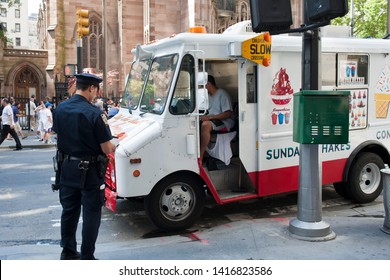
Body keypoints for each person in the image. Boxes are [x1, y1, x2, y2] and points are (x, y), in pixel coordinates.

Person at [53, 73, 116, 260]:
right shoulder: (95, 114)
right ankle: (87, 256)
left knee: (69, 211)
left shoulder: (60, 109)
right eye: (96, 90)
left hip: (66, 168)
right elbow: (106, 148)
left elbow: (60, 136)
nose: (96, 94)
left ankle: (68, 252)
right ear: (91, 88)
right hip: (90, 172)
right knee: (91, 213)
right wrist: (114, 145)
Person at [199, 75, 235, 162]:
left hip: (225, 122)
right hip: (213, 120)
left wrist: (210, 117)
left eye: (202, 86)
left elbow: (228, 114)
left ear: (208, 84)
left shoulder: (222, 94)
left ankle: (201, 155)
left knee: (206, 125)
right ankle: (206, 153)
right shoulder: (208, 96)